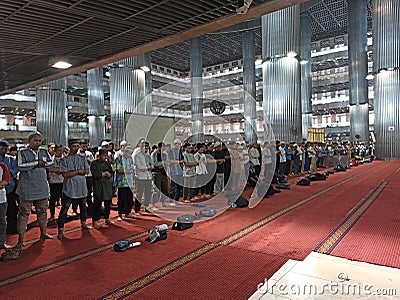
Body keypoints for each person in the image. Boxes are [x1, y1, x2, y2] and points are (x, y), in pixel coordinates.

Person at [14, 132, 54, 256]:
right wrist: (37, 163)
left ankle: (43, 233)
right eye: (35, 140)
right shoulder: (22, 152)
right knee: (24, 213)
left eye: (39, 140)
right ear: (29, 141)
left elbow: (51, 163)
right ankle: (21, 239)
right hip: (27, 187)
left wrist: (42, 164)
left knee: (42, 211)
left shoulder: (44, 151)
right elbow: (20, 166)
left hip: (42, 186)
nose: (38, 143)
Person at [57, 139, 91, 239]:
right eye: (74, 146)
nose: (76, 148)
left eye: (77, 146)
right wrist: (78, 172)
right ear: (69, 147)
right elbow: (65, 174)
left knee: (83, 207)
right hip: (70, 188)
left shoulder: (82, 158)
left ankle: (84, 224)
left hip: (81, 187)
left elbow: (86, 171)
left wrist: (76, 172)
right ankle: (61, 230)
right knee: (65, 209)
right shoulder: (64, 160)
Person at [90, 149, 114, 229]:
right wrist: (102, 174)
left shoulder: (107, 164)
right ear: (100, 155)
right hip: (98, 186)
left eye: (106, 156)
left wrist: (108, 174)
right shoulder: (94, 163)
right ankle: (95, 221)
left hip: (107, 185)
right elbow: (94, 174)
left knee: (108, 203)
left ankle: (107, 218)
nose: (105, 157)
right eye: (104, 155)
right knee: (97, 204)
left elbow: (111, 172)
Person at [0, 140, 18, 234]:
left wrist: (6, 170)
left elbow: (15, 171)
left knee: (12, 209)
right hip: (0, 188)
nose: (3, 150)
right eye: (1, 148)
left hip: (10, 188)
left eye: (5, 149)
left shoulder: (11, 159)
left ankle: (12, 228)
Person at [115, 145, 135, 219]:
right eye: (129, 153)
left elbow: (133, 169)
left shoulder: (130, 159)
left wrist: (128, 171)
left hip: (129, 181)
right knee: (121, 199)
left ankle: (128, 212)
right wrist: (128, 171)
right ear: (125, 152)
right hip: (122, 182)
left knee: (129, 198)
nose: (130, 154)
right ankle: (120, 213)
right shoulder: (119, 159)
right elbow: (119, 170)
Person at [133, 142, 153, 212]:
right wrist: (148, 168)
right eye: (145, 148)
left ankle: (146, 207)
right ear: (141, 148)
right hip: (140, 177)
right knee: (139, 193)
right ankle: (137, 209)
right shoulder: (137, 155)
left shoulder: (148, 155)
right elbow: (140, 167)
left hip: (148, 176)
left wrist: (148, 168)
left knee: (148, 193)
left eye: (147, 148)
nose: (146, 150)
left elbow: (152, 164)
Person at [47, 144, 64, 222]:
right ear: (55, 151)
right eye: (59, 150)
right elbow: (49, 169)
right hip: (54, 181)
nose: (60, 152)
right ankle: (52, 215)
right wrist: (58, 170)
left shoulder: (64, 159)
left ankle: (63, 214)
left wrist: (58, 170)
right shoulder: (50, 160)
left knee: (64, 198)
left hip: (63, 181)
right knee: (53, 199)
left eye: (61, 150)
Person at [151, 142, 169, 208]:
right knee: (156, 190)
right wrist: (163, 163)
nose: (163, 149)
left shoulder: (164, 154)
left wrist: (162, 164)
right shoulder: (154, 154)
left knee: (164, 189)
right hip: (156, 173)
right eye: (162, 147)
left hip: (164, 173)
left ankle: (163, 202)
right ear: (159, 147)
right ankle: (154, 204)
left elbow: (167, 163)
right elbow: (155, 164)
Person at [168, 139, 183, 205]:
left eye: (180, 144)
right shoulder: (170, 152)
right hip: (173, 171)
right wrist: (178, 162)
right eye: (178, 144)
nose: (179, 146)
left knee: (179, 187)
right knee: (173, 187)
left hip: (180, 171)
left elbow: (182, 159)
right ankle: (171, 200)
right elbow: (170, 161)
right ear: (175, 144)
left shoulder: (179, 151)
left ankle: (177, 200)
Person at [0, 161, 11, 250]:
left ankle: (2, 242)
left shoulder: (2, 166)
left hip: (1, 199)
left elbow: (6, 181)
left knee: (2, 221)